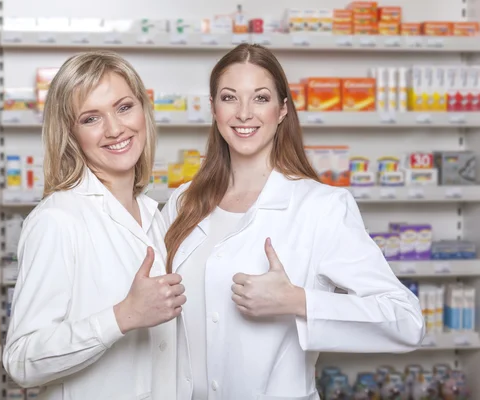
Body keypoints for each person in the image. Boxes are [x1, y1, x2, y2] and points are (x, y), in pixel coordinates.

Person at [163, 43, 425, 400]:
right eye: (229, 98)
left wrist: (297, 301)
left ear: (282, 109)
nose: (243, 113)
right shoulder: (182, 202)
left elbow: (406, 322)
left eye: (260, 98)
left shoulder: (321, 207)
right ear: (212, 108)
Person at [3, 51, 186, 400]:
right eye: (91, 118)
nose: (115, 128)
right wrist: (123, 316)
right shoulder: (57, 219)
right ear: (70, 134)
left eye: (124, 107)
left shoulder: (155, 216)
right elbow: (21, 361)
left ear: (143, 110)